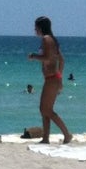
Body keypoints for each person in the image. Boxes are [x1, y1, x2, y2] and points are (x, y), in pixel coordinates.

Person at [27, 16, 72, 144]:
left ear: (40, 27)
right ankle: (46, 138)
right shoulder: (52, 40)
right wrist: (60, 77)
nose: (34, 29)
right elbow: (61, 60)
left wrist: (34, 56)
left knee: (46, 110)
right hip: (53, 78)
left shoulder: (47, 39)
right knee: (44, 109)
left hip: (52, 78)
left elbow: (47, 58)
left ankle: (67, 134)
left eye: (35, 27)